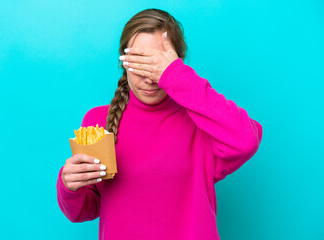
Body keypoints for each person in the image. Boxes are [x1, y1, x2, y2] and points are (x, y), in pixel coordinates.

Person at [56, 8, 263, 240]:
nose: (149, 77)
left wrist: (175, 76)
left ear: (178, 63)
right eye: (139, 62)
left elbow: (245, 140)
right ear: (123, 63)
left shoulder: (202, 123)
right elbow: (84, 209)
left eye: (157, 65)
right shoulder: (97, 121)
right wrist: (70, 186)